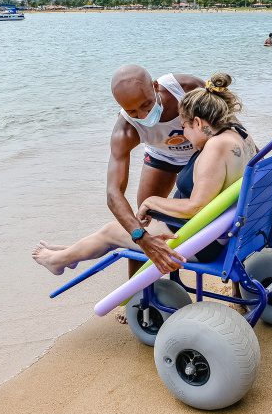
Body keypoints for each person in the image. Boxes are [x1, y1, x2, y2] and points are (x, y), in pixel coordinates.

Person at [33, 73, 257, 276]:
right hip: (229, 228)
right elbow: (113, 193)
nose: (143, 114)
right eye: (132, 111)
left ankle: (60, 259)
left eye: (185, 127)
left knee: (111, 231)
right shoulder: (238, 137)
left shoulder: (211, 143)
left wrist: (151, 202)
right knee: (133, 228)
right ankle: (73, 253)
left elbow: (195, 207)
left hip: (206, 240)